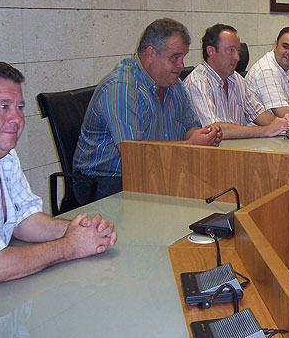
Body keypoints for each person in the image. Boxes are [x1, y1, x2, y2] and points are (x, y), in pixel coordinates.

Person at [73, 19, 222, 204]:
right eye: (174, 58)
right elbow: (135, 155)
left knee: (217, 190)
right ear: (151, 54)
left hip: (156, 170)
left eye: (183, 57)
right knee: (184, 203)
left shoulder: (174, 84)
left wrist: (202, 136)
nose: (181, 65)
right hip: (107, 180)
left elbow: (189, 128)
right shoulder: (121, 87)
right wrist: (189, 144)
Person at [0, 62, 117, 283]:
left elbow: (25, 220)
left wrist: (84, 230)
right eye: (3, 106)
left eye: (20, 107)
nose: (17, 118)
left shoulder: (6, 156)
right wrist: (69, 246)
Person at [184, 24, 289, 138]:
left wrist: (282, 123)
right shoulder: (198, 83)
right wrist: (266, 130)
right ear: (211, 51)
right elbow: (214, 129)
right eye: (231, 50)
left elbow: (258, 114)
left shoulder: (236, 78)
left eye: (238, 50)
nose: (237, 57)